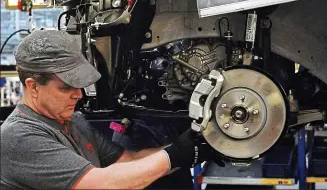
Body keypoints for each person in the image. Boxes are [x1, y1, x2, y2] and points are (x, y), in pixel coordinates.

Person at [0, 30, 215, 189]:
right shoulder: (19, 136)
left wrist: (192, 149)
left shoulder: (74, 123)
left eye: (79, 86)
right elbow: (103, 184)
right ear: (33, 86)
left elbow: (130, 160)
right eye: (66, 87)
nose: (78, 94)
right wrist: (173, 155)